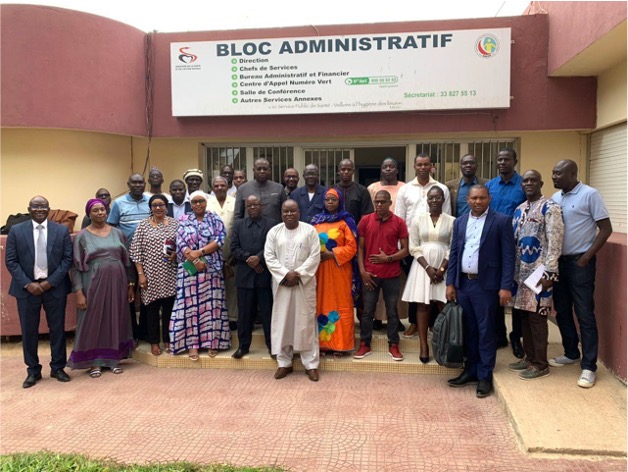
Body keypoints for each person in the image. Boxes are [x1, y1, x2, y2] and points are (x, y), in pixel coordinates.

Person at [446, 185, 515, 398]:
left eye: (482, 198)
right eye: (474, 198)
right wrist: (451, 283)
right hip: (463, 284)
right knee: (469, 329)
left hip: (487, 286)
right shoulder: (460, 222)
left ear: (489, 198)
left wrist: (506, 286)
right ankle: (471, 370)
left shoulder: (502, 221)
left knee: (486, 330)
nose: (478, 202)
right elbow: (455, 253)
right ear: (467, 199)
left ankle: (485, 375)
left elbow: (508, 256)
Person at [550, 159, 612, 388]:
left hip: (580, 263)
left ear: (573, 173)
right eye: (553, 174)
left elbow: (606, 229)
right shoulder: (555, 198)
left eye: (558, 173)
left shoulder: (590, 194)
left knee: (584, 313)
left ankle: (589, 366)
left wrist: (587, 256)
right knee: (562, 310)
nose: (554, 177)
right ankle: (570, 353)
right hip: (560, 263)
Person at [5, 195, 73, 388]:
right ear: (29, 209)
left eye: (43, 207)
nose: (40, 210)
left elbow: (67, 260)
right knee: (29, 331)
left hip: (55, 288)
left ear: (49, 209)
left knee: (57, 330)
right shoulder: (17, 231)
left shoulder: (61, 230)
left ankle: (58, 368)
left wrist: (49, 283)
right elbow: (11, 261)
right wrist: (28, 284)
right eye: (36, 207)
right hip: (26, 289)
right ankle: (33, 371)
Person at [67, 198, 135, 377]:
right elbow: (74, 266)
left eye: (102, 210)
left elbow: (127, 261)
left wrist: (130, 285)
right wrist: (79, 292)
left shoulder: (118, 233)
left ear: (107, 212)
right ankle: (93, 361)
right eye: (95, 210)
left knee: (115, 318)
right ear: (89, 214)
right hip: (93, 283)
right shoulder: (82, 236)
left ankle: (113, 359)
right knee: (93, 320)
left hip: (117, 282)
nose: (100, 213)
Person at [508, 170, 563, 380]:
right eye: (525, 181)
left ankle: (541, 364)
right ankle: (529, 358)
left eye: (533, 180)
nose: (529, 183)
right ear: (521, 185)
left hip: (541, 274)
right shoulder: (519, 209)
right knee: (523, 316)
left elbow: (555, 242)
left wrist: (551, 273)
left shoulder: (550, 207)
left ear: (541, 183)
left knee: (538, 318)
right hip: (520, 275)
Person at [264, 200, 321, 381]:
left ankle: (310, 364)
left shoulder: (309, 231)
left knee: (306, 321)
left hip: (304, 284)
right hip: (282, 285)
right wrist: (284, 275)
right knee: (283, 321)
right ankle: (284, 363)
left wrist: (298, 275)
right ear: (281, 213)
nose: (289, 214)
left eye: (292, 211)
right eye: (285, 211)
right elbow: (269, 256)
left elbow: (315, 256)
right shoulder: (274, 232)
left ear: (299, 211)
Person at [170, 190, 230, 360]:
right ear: (191, 203)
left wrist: (200, 252)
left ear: (206, 202)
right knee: (190, 307)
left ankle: (213, 342)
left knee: (212, 307)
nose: (198, 204)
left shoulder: (215, 218)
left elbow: (220, 240)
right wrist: (195, 259)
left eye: (201, 201)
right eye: (195, 201)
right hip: (189, 271)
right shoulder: (183, 220)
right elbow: (180, 241)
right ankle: (193, 345)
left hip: (211, 270)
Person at [395, 153, 451, 337]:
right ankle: (414, 323)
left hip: (439, 243)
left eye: (426, 164)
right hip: (413, 245)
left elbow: (447, 215)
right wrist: (401, 246)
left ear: (431, 166)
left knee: (437, 287)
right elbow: (400, 218)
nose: (423, 167)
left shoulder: (441, 188)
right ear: (414, 166)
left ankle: (433, 323)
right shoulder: (405, 189)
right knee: (417, 287)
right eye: (419, 164)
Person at [401, 186, 455, 363]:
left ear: (443, 199)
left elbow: (453, 247)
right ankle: (423, 345)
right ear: (427, 200)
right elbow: (413, 247)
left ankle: (444, 344)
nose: (434, 200)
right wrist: (428, 268)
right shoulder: (418, 219)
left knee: (443, 305)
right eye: (431, 197)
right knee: (423, 306)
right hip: (422, 267)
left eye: (438, 197)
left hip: (443, 267)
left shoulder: (452, 221)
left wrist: (441, 270)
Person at [355, 190, 409, 362]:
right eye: (377, 202)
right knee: (367, 311)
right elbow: (360, 249)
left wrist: (389, 258)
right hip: (370, 275)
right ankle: (365, 343)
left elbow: (406, 250)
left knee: (392, 311)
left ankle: (393, 345)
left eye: (383, 202)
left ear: (390, 202)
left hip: (391, 275)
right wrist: (362, 272)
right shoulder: (365, 221)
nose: (379, 205)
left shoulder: (399, 222)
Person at [485, 148, 526, 357]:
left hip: (518, 248)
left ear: (515, 161)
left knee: (515, 294)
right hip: (493, 246)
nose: (502, 162)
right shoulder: (490, 186)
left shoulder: (523, 185)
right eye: (499, 159)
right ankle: (499, 334)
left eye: (506, 159)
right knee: (495, 290)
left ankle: (516, 337)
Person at [129, 194, 179, 356]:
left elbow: (183, 244)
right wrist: (141, 275)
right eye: (155, 205)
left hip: (170, 273)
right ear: (150, 208)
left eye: (161, 205)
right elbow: (136, 252)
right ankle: (154, 342)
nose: (158, 208)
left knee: (169, 309)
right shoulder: (143, 226)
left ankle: (168, 339)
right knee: (151, 309)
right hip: (150, 275)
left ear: (166, 206)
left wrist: (177, 254)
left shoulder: (174, 224)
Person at [311, 188, 359, 357]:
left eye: (334, 200)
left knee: (341, 302)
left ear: (340, 202)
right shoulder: (315, 222)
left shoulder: (346, 221)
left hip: (340, 270)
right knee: (321, 302)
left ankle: (341, 345)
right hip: (319, 270)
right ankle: (323, 344)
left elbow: (352, 247)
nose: (330, 202)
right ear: (323, 202)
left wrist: (332, 254)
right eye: (327, 200)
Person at [230, 195, 276, 358]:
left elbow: (273, 246)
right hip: (244, 276)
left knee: (268, 313)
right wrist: (248, 258)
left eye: (256, 204)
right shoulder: (239, 224)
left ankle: (272, 347)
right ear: (246, 207)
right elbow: (234, 247)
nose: (253, 208)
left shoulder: (271, 224)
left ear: (261, 205)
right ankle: (243, 346)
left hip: (264, 275)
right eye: (249, 205)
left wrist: (259, 258)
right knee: (244, 314)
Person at [108, 173, 151, 343]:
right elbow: (111, 227)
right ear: (128, 184)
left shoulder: (150, 201)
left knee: (148, 295)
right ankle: (131, 334)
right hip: (126, 257)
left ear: (144, 183)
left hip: (148, 257)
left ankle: (146, 332)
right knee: (130, 296)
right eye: (134, 182)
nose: (138, 185)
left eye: (141, 182)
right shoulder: (118, 203)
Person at [367, 157, 407, 332]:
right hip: (377, 235)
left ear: (397, 169)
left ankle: (394, 317)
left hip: (399, 235)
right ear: (381, 170)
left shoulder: (405, 188)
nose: (389, 169)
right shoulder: (372, 188)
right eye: (385, 167)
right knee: (376, 278)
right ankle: (376, 317)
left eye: (392, 166)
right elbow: (370, 215)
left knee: (395, 282)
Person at [208, 176, 238, 330]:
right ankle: (216, 317)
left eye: (222, 185)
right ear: (212, 188)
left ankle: (233, 318)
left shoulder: (235, 202)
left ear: (228, 187)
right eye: (216, 185)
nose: (219, 188)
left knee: (232, 286)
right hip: (210, 253)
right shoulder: (207, 202)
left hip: (231, 252)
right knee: (214, 287)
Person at [234, 158, 287, 223]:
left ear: (269, 171)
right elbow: (237, 215)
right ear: (254, 170)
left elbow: (285, 212)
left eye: (265, 169)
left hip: (274, 230)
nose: (262, 171)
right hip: (250, 230)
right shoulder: (243, 189)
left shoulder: (279, 188)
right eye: (259, 169)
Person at [334, 159, 373, 225]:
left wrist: (356, 230)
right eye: (343, 169)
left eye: (349, 170)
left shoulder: (362, 190)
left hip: (355, 231)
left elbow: (366, 215)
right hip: (334, 231)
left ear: (353, 171)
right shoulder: (332, 190)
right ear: (338, 171)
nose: (346, 172)